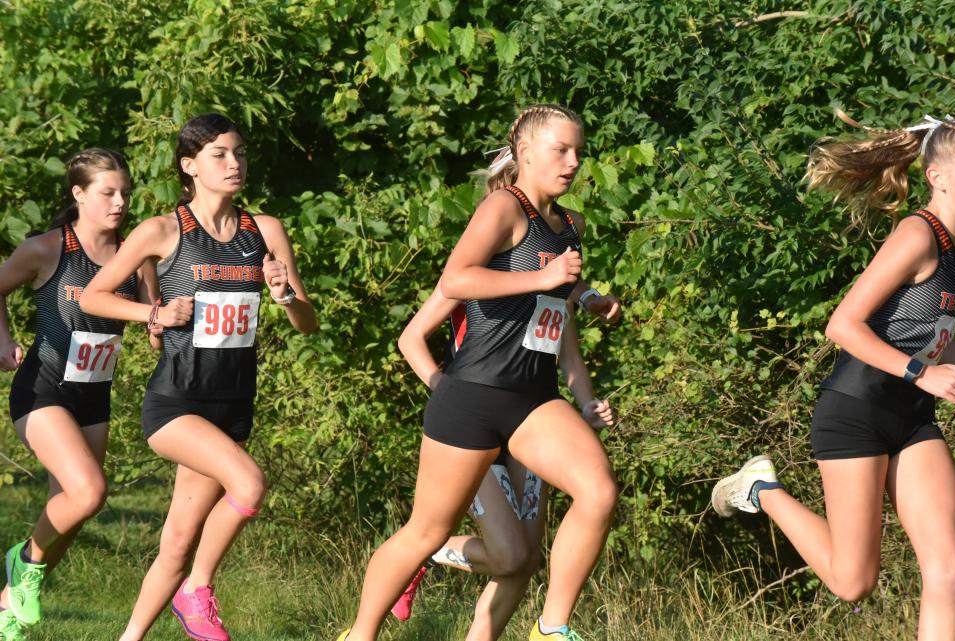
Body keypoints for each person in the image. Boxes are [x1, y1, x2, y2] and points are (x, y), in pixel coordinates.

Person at [337, 103, 618, 641]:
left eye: (579, 151)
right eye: (561, 149)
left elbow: (558, 316)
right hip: (472, 397)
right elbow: (457, 279)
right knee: (427, 531)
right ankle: (360, 633)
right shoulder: (500, 209)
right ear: (527, 153)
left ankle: (552, 628)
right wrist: (545, 279)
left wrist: (590, 300)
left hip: (534, 401)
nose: (574, 161)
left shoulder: (571, 226)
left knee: (598, 491)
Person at [712, 115, 955, 641]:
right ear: (938, 177)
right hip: (857, 411)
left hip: (912, 419)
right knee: (853, 582)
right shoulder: (918, 234)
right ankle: (761, 487)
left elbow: (931, 333)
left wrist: (941, 369)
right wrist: (922, 374)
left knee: (951, 570)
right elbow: (842, 325)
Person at [79, 113, 317, 641]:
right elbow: (93, 295)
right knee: (250, 484)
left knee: (178, 543)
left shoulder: (266, 231)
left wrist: (283, 296)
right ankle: (197, 591)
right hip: (175, 404)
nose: (235, 164)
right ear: (189, 166)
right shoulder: (163, 230)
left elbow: (308, 321)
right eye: (219, 155)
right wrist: (154, 315)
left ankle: (130, 635)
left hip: (233, 405)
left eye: (240, 154)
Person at [390, 281, 616, 641]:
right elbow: (409, 340)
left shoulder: (556, 277)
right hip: (472, 430)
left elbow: (568, 356)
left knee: (523, 563)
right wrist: (450, 395)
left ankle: (436, 563)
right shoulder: (481, 266)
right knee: (508, 556)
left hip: (529, 424)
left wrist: (588, 405)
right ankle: (427, 553)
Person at [0, 149, 158, 641]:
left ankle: (7, 606)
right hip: (42, 390)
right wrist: (3, 339)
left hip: (95, 397)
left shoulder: (137, 256)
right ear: (79, 194)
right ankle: (20, 563)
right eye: (108, 193)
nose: (120, 202)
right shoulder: (48, 250)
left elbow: (156, 324)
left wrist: (168, 322)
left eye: (126, 193)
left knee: (69, 519)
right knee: (89, 492)